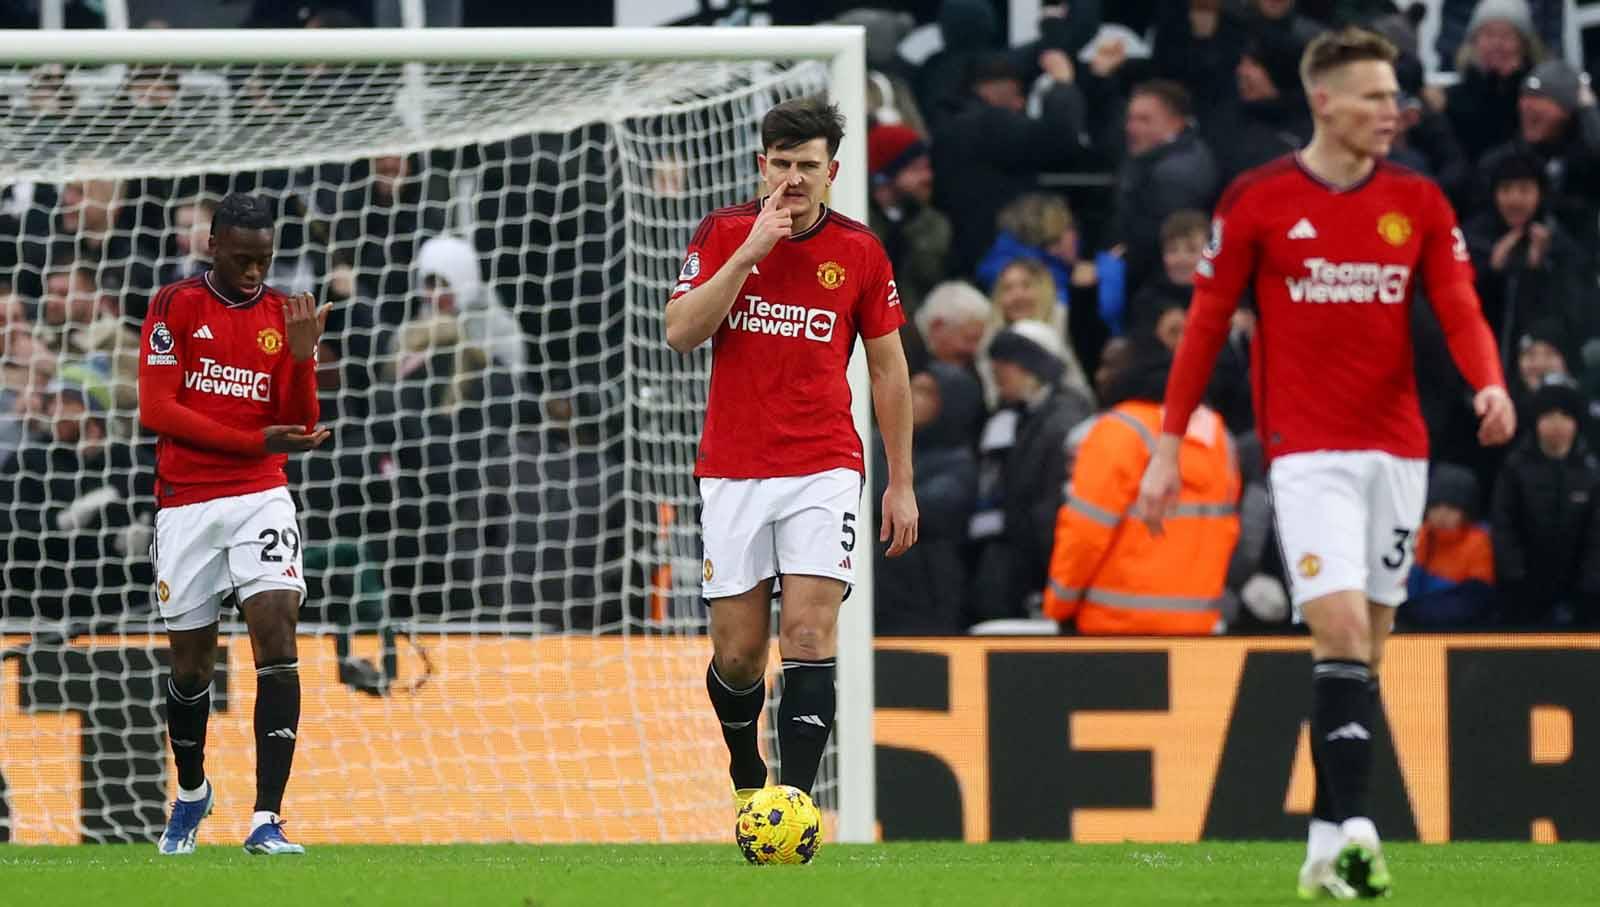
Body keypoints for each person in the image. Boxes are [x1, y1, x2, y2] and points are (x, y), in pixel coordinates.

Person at [1132, 29, 1514, 899]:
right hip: (1307, 454)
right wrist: (1166, 443)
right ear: (1325, 101)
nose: (1394, 111)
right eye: (1376, 97)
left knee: (1364, 656)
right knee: (1340, 633)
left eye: (1396, 97)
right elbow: (1202, 326)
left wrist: (1489, 384)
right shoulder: (1258, 199)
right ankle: (1362, 838)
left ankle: (1320, 837)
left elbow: (1458, 305)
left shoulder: (1417, 199)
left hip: (1399, 452)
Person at [664, 98, 918, 811]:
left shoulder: (860, 250)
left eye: (809, 166)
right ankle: (750, 775)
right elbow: (680, 331)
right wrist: (750, 252)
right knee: (739, 654)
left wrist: (902, 482)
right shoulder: (723, 233)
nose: (795, 179)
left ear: (832, 170)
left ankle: (793, 807)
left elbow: (890, 370)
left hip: (823, 464)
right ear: (761, 165)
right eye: (782, 164)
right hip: (733, 467)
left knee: (806, 630)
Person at [138, 192, 331, 856]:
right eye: (243, 259)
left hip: (260, 494)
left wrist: (303, 358)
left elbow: (300, 424)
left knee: (276, 629)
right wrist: (250, 440)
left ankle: (265, 818)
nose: (255, 273)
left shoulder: (284, 314)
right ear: (213, 245)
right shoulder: (175, 305)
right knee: (192, 669)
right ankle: (192, 790)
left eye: (264, 261)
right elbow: (158, 408)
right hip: (186, 501)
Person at [1042, 340, 1239, 634]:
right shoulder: (1216, 435)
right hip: (1197, 630)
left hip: (1114, 630)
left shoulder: (1118, 431)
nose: (1100, 376)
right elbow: (1227, 533)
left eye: (1110, 366)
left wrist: (1059, 605)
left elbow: (1085, 532)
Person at [968, 320, 1093, 623]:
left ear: (1031, 368)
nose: (997, 378)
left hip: (1044, 573)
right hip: (1026, 568)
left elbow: (1051, 508)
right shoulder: (1021, 417)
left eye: (1005, 367)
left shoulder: (1061, 421)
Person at [1490, 377, 1600, 627]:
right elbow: (1504, 524)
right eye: (1549, 415)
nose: (1557, 423)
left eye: (1565, 415)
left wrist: (1590, 584)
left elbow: (1596, 535)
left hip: (1580, 592)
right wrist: (1515, 576)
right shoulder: (1515, 468)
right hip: (1523, 589)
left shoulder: (1591, 471)